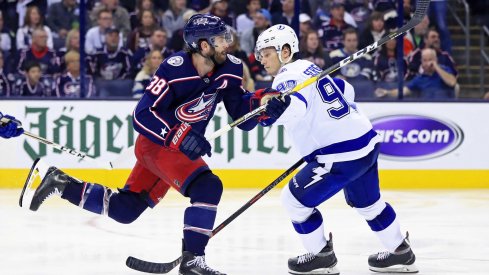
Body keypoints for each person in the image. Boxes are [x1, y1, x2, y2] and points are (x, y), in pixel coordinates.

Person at [21, 14, 258, 275]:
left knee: (126, 210)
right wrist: (181, 136)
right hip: (156, 146)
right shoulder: (175, 69)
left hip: (175, 150)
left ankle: (60, 183)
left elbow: (242, 115)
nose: (227, 43)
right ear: (203, 45)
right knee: (208, 186)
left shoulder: (231, 68)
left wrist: (266, 105)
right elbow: (142, 114)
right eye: (220, 39)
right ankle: (193, 261)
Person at [252, 24, 418, 274]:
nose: (262, 60)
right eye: (260, 55)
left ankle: (321, 257)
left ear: (285, 51)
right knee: (369, 205)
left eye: (266, 53)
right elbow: (346, 91)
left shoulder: (287, 76)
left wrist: (280, 110)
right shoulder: (311, 67)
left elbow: (295, 105)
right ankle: (400, 253)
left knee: (294, 202)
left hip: (340, 154)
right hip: (365, 143)